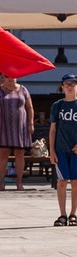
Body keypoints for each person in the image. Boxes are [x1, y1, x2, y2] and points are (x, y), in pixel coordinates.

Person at [0, 73, 34, 191]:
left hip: (21, 128)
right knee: (3, 154)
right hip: (3, 128)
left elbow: (29, 108)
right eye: (6, 76)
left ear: (16, 77)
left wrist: (31, 123)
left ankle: (19, 182)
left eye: (12, 76)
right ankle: (2, 182)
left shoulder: (23, 89)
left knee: (19, 154)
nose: (9, 79)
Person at [49, 73, 77, 227]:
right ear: (62, 86)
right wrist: (51, 150)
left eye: (73, 83)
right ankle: (62, 214)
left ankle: (74, 214)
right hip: (60, 149)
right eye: (67, 84)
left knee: (75, 182)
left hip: (75, 151)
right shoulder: (57, 105)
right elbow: (52, 129)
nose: (70, 86)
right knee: (62, 181)